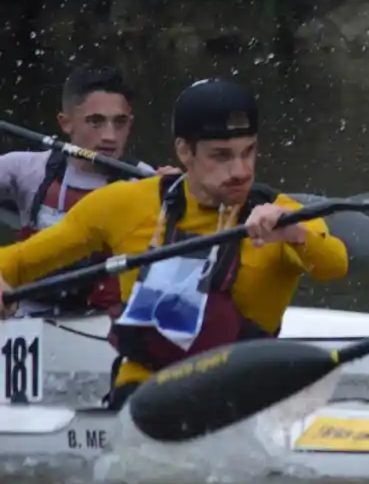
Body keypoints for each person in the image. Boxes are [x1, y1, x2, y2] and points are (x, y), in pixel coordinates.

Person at [0, 76, 350, 410]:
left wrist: (294, 233)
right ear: (184, 151)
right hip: (144, 397)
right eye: (222, 156)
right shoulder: (122, 204)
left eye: (249, 152)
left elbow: (334, 266)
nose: (241, 171)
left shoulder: (282, 214)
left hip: (242, 392)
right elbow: (19, 262)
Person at [0, 63, 175, 317]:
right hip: (26, 319)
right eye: (96, 122)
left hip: (106, 323)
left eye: (120, 122)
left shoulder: (148, 182)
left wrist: (182, 198)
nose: (110, 136)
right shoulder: (25, 169)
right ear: (65, 123)